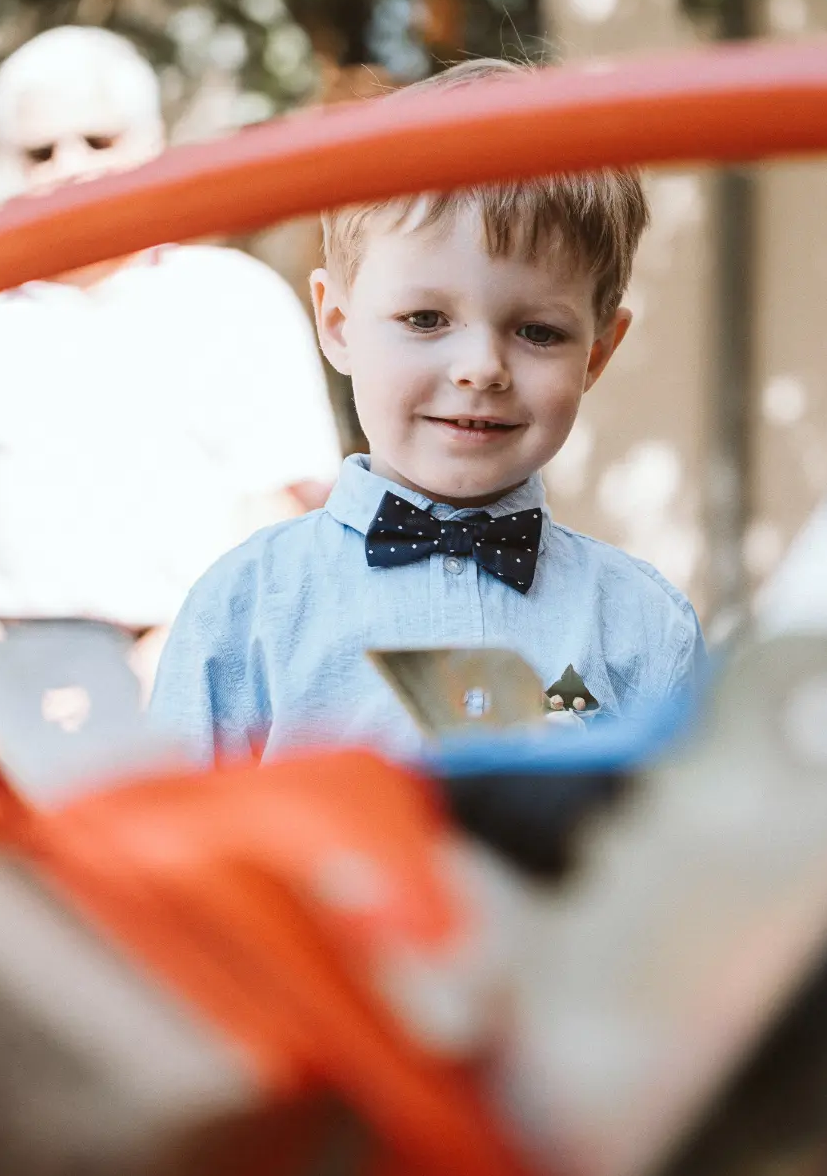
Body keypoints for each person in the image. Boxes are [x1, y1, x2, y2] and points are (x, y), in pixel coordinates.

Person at [147, 58, 707, 763]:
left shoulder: (646, 627)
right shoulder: (243, 611)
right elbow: (166, 848)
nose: (481, 368)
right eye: (424, 318)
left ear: (596, 353)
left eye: (537, 331)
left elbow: (691, 851)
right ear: (340, 322)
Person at [0, 25, 343, 783]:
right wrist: (3, 691)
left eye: (97, 138)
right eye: (40, 151)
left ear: (153, 144)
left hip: (220, 687)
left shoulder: (236, 301)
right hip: (15, 708)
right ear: (5, 168)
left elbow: (284, 501)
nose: (71, 167)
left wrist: (178, 659)